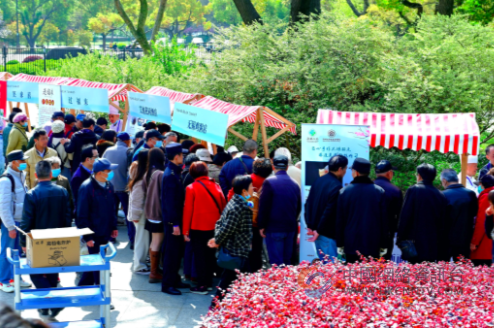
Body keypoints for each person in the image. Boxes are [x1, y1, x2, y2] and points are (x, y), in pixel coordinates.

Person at [20, 160, 71, 319]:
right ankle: (47, 306)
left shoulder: (32, 194)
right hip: (58, 239)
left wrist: (23, 243)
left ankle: (52, 301)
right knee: (52, 273)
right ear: (51, 174)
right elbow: (68, 215)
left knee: (35, 274)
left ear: (35, 175)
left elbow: (26, 222)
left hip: (38, 241)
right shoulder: (62, 191)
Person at [208, 175, 254, 307]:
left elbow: (220, 222)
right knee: (228, 280)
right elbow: (227, 228)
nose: (253, 189)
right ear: (244, 191)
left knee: (236, 280)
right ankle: (215, 306)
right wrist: (217, 240)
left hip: (238, 249)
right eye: (251, 187)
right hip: (237, 250)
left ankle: (243, 306)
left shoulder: (235, 201)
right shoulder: (239, 207)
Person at [183, 162, 226, 294]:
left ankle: (202, 285)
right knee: (210, 256)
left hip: (197, 227)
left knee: (200, 257)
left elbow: (188, 210)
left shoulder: (191, 188)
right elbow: (223, 206)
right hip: (214, 227)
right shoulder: (216, 186)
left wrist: (185, 231)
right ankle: (208, 283)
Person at [335, 158, 387, 263]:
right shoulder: (379, 192)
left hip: (351, 244)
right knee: (371, 277)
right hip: (373, 244)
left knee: (352, 277)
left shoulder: (344, 192)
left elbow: (339, 221)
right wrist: (384, 244)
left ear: (356, 172)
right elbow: (384, 221)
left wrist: (340, 244)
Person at [76, 158, 118, 286]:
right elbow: (81, 215)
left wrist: (114, 226)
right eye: (108, 170)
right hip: (93, 234)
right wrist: (87, 237)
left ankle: (83, 288)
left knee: (94, 265)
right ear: (99, 173)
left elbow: (112, 208)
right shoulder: (87, 188)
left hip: (105, 232)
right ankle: (103, 295)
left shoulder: (109, 185)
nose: (111, 173)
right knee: (99, 267)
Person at [397, 163, 449, 263]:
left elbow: (405, 216)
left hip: (414, 244)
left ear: (419, 176)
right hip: (433, 244)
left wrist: (400, 238)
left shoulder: (413, 190)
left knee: (415, 274)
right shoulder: (440, 194)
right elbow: (443, 222)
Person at [257, 155, 301, 266]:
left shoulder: (269, 182)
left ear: (273, 167)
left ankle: (279, 283)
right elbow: (299, 207)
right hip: (290, 227)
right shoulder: (295, 184)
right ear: (287, 167)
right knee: (287, 262)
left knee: (276, 263)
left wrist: (261, 225)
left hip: (274, 228)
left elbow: (264, 206)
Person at [305, 155, 348, 261]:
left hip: (317, 232)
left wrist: (311, 226)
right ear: (340, 169)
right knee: (331, 271)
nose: (346, 172)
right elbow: (329, 211)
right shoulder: (337, 186)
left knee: (325, 269)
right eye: (346, 168)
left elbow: (307, 204)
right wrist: (318, 230)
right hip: (327, 234)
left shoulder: (318, 181)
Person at [161, 143, 190, 295]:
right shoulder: (171, 175)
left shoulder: (174, 172)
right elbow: (170, 203)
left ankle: (175, 279)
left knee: (176, 252)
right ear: (176, 156)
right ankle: (167, 284)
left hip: (175, 220)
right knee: (171, 254)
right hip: (173, 221)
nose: (183, 157)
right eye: (181, 154)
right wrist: (175, 224)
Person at [0, 151, 30, 293]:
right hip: (11, 224)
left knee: (16, 252)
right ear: (13, 163)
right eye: (21, 160)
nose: (24, 162)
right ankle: (4, 280)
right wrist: (10, 226)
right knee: (7, 252)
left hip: (20, 221)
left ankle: (16, 278)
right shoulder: (6, 181)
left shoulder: (21, 175)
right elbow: (4, 207)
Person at [103, 132, 135, 249]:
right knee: (129, 215)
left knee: (111, 213)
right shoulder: (129, 151)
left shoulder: (108, 150)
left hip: (109, 187)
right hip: (124, 188)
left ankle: (110, 238)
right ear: (126, 141)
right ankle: (132, 240)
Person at [440, 169, 478, 261]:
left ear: (444, 181)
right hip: (465, 238)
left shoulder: (442, 195)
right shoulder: (470, 194)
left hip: (445, 240)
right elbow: (475, 213)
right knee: (463, 270)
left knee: (442, 270)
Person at [143, 148, 167, 283]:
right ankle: (154, 272)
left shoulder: (148, 172)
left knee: (154, 240)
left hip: (149, 212)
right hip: (158, 212)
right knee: (158, 241)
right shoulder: (160, 174)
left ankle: (154, 270)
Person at [373, 160, 403, 261]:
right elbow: (399, 216)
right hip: (386, 236)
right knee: (382, 267)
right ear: (389, 173)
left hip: (367, 234)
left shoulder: (368, 188)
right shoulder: (395, 191)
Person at [128, 149, 151, 275]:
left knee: (140, 239)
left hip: (140, 214)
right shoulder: (142, 175)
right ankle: (139, 266)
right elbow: (137, 197)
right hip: (140, 214)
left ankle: (139, 262)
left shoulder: (138, 171)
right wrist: (136, 215)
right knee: (141, 240)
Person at [470, 174, 494, 266]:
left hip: (485, 242)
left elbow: (481, 222)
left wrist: (474, 242)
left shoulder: (486, 197)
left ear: (481, 184)